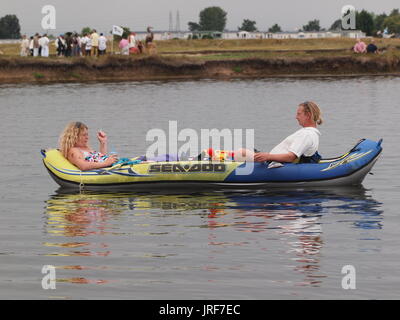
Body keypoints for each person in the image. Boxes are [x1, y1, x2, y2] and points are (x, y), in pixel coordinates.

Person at [235, 101, 323, 164]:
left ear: (308, 115)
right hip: (272, 159)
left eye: (299, 114)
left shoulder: (307, 134)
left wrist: (268, 156)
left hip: (273, 163)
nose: (296, 117)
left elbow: (291, 157)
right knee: (237, 152)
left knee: (240, 152)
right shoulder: (309, 133)